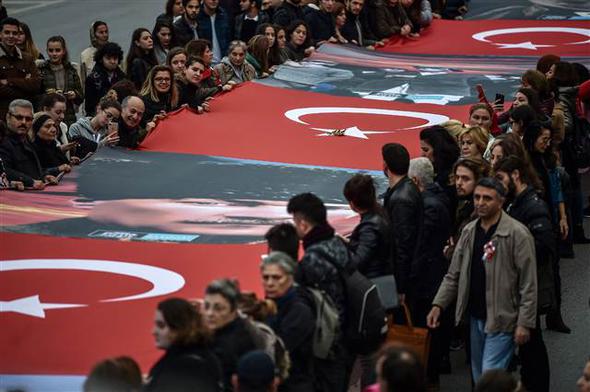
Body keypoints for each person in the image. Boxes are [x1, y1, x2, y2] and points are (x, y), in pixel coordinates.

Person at [427, 177, 537, 382]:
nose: (480, 202)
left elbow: (528, 284)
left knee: (488, 376)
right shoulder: (469, 231)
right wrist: (438, 305)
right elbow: (454, 275)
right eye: (477, 197)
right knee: (479, 378)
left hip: (503, 318)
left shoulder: (517, 234)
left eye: (487, 198)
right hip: (475, 317)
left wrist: (524, 323)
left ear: (501, 201)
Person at [494, 155, 554, 392]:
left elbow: (544, 245)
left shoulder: (532, 205)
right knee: (529, 346)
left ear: (515, 175)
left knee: (532, 344)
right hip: (519, 285)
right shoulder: (516, 202)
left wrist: (512, 256)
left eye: (501, 178)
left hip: (527, 286)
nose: (498, 184)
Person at [286, 192, 351, 392]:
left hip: (327, 344)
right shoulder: (337, 244)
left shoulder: (312, 259)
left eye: (295, 221)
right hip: (345, 337)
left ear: (303, 224)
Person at [407, 157, 451, 388]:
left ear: (415, 180)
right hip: (434, 276)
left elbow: (421, 246)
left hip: (428, 281)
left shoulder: (427, 206)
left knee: (425, 333)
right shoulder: (438, 197)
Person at [260, 251, 315, 391]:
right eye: (265, 277)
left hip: (295, 384)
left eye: (276, 277)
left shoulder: (299, 310)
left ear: (290, 278)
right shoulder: (269, 304)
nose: (270, 283)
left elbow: (280, 348)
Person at [144, 297, 223, 392]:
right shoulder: (206, 356)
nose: (153, 332)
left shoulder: (180, 369)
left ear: (179, 328)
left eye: (161, 326)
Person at [381, 143, 423, 309]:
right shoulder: (407, 188)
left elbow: (402, 246)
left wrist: (400, 286)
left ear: (385, 166)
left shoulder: (401, 200)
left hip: (401, 278)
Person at [204, 279, 260, 392]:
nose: (210, 313)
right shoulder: (239, 327)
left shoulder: (231, 346)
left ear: (234, 310)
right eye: (206, 306)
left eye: (218, 308)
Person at [0, 100, 52, 189]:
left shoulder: (27, 141)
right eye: (19, 117)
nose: (24, 122)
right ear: (8, 117)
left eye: (28, 119)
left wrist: (45, 176)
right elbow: (4, 171)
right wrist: (30, 181)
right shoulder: (3, 141)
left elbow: (33, 169)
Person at [0, 17, 41, 121]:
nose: (11, 36)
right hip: (2, 116)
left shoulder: (27, 58)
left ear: (18, 35)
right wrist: (24, 87)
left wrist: (10, 81)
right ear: (0, 34)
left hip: (25, 118)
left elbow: (36, 85)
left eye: (14, 33)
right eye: (7, 32)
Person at [38, 36, 83, 126]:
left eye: (57, 50)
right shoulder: (42, 70)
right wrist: (49, 95)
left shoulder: (71, 70)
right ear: (47, 51)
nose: (54, 54)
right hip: (48, 117)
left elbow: (81, 97)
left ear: (63, 51)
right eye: (51, 50)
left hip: (68, 116)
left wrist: (74, 95)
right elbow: (36, 96)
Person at [85, 42, 126, 116]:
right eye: (108, 58)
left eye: (115, 58)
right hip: (99, 117)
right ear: (101, 59)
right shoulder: (92, 79)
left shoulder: (123, 78)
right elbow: (89, 108)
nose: (112, 61)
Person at [80, 21, 109, 86]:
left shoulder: (114, 50)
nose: (105, 35)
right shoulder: (85, 55)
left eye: (106, 32)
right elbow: (83, 80)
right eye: (101, 32)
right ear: (93, 35)